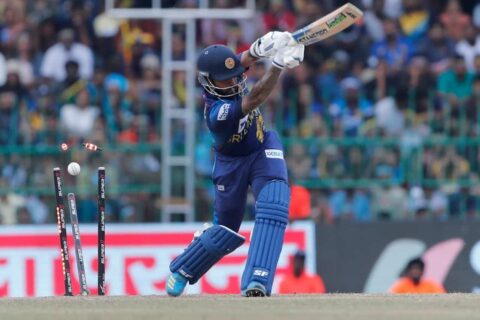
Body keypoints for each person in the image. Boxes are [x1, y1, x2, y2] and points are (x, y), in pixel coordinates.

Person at [166, 32, 305, 297]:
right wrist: (277, 65)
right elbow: (255, 98)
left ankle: (257, 281)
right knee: (225, 230)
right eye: (226, 79)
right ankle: (183, 268)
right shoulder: (216, 113)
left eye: (236, 74)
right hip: (231, 165)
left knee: (275, 203)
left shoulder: (227, 69)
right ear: (209, 83)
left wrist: (261, 47)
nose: (235, 80)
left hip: (263, 148)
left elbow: (240, 61)